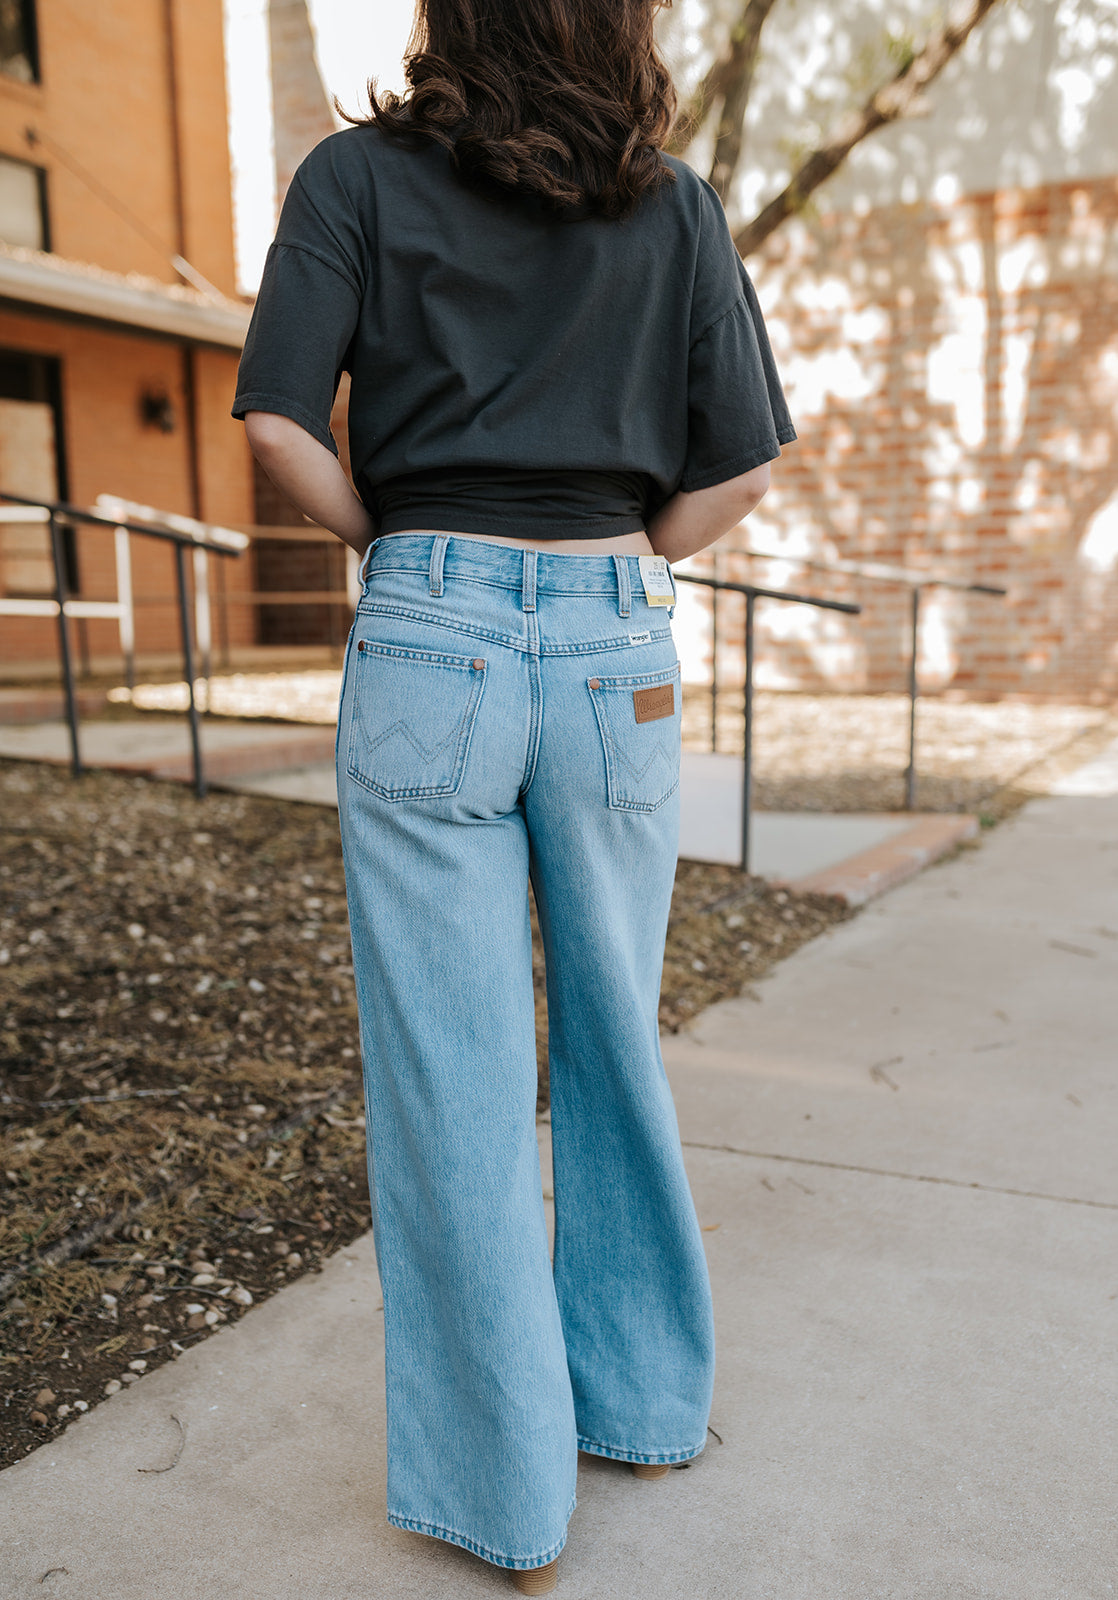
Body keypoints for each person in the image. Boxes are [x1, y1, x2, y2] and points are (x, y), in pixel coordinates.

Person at [233, 1, 795, 1589]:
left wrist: (403, 557)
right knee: (617, 1038)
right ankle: (642, 1408)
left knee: (452, 1078)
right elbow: (744, 466)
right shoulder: (672, 206)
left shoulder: (353, 178)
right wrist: (613, 572)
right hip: (616, 647)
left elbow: (276, 418)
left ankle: (507, 1495)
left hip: (432, 638)